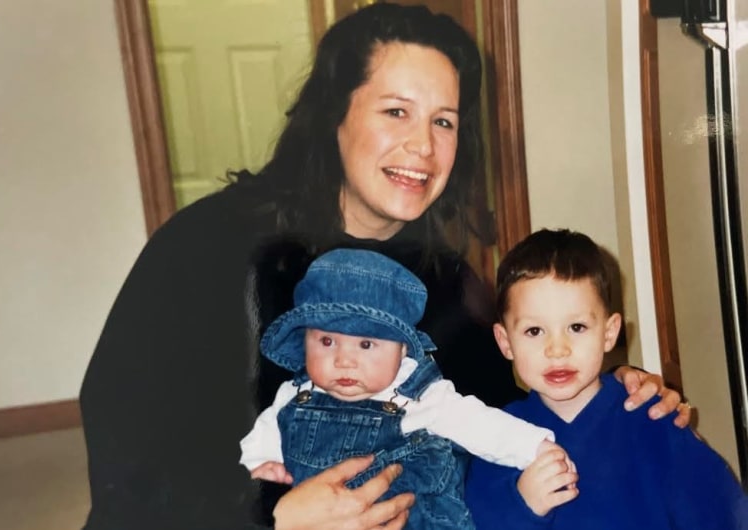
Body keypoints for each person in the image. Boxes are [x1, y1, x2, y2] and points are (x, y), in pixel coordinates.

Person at [79, 4, 687, 530]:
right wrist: (275, 513)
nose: (423, 146)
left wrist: (611, 389)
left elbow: (506, 415)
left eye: (443, 121)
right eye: (396, 111)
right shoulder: (209, 244)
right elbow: (127, 455)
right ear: (333, 116)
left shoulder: (443, 281)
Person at [240, 248, 568, 529]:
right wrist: (259, 464)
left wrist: (533, 447)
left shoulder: (420, 394)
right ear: (304, 340)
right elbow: (263, 440)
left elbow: (479, 424)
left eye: (366, 344)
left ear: (402, 350)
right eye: (326, 341)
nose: (343, 360)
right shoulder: (294, 395)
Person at [465, 228, 748, 530]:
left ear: (609, 332)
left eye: (576, 327)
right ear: (505, 341)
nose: (557, 350)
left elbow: (723, 513)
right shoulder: (495, 436)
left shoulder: (653, 419)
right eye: (535, 331)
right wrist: (521, 506)